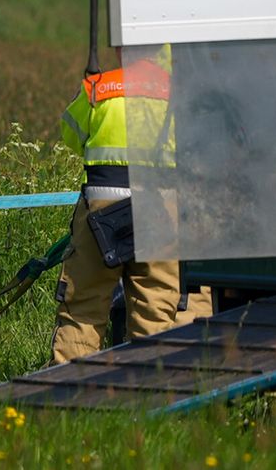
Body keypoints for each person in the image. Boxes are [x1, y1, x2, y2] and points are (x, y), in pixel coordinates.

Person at [51, 46, 182, 363]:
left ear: (122, 48)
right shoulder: (177, 92)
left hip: (102, 206)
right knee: (156, 301)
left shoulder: (98, 88)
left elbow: (70, 134)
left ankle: (70, 381)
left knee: (84, 301)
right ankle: (154, 384)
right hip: (161, 203)